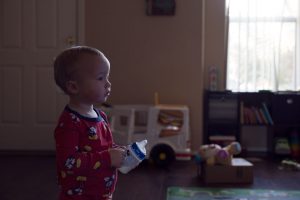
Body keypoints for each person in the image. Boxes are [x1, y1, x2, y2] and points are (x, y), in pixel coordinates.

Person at [53, 46, 125, 200]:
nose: (108, 84)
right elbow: (68, 162)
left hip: (102, 193)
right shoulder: (70, 124)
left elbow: (104, 148)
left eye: (107, 77)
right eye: (100, 78)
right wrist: (108, 158)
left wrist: (121, 153)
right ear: (73, 86)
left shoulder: (101, 116)